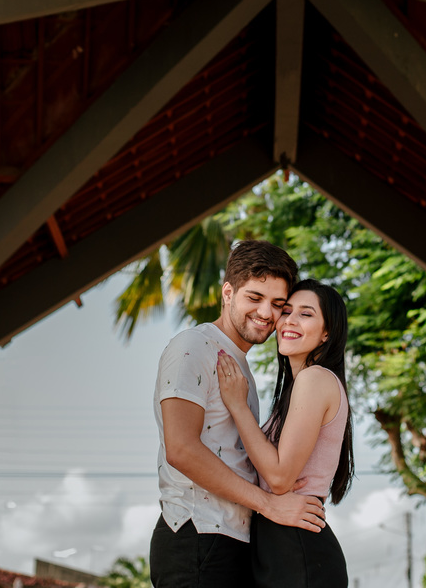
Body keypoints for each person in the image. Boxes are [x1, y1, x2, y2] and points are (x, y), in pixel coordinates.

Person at [150, 240, 327, 588]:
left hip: (233, 541)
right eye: (255, 297)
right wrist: (269, 505)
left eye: (277, 304)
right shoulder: (193, 346)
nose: (266, 313)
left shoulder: (239, 364)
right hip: (198, 535)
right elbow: (181, 449)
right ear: (228, 292)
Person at [216, 279, 354, 588]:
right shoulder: (299, 388)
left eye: (306, 314)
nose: (289, 320)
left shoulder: (315, 379)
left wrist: (238, 406)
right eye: (287, 311)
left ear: (327, 333)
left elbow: (279, 477)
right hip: (279, 545)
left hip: (298, 550)